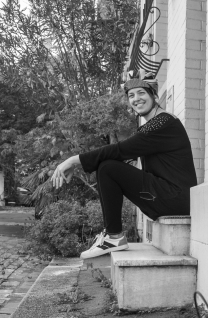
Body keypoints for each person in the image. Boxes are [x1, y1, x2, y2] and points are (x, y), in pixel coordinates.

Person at [51, 71, 197, 259]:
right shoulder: (152, 125)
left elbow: (121, 150)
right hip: (168, 195)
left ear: (153, 95)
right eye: (131, 95)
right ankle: (111, 234)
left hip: (175, 197)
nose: (136, 99)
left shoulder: (164, 123)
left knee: (108, 167)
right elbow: (121, 154)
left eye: (141, 93)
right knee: (107, 165)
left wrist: (73, 160)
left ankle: (113, 236)